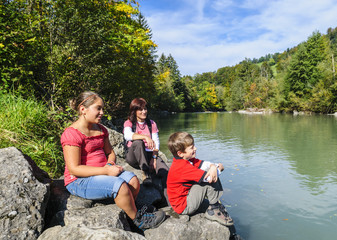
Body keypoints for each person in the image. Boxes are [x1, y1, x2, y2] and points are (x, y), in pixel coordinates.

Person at [61, 91, 165, 230]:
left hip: (101, 173)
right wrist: (106, 170)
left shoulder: (101, 129)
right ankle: (139, 221)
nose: (102, 112)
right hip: (79, 180)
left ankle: (130, 208)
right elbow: (74, 168)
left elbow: (110, 152)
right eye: (98, 108)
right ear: (83, 109)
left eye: (102, 108)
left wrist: (110, 164)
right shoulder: (71, 134)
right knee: (120, 185)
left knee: (133, 180)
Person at [166, 131, 234, 226]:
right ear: (180, 153)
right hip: (183, 206)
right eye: (192, 148)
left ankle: (213, 203)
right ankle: (213, 209)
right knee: (208, 181)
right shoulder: (182, 167)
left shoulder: (187, 160)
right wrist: (219, 168)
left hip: (185, 198)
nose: (195, 148)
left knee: (209, 172)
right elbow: (211, 178)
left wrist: (213, 166)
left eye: (194, 146)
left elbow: (205, 164)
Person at [123, 98, 169, 202]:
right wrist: (145, 137)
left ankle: (169, 200)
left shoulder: (151, 123)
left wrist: (154, 158)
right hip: (134, 155)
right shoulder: (129, 123)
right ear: (134, 111)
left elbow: (156, 142)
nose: (144, 112)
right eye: (140, 110)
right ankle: (145, 172)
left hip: (149, 155)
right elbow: (127, 135)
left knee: (165, 171)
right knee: (138, 142)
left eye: (145, 109)